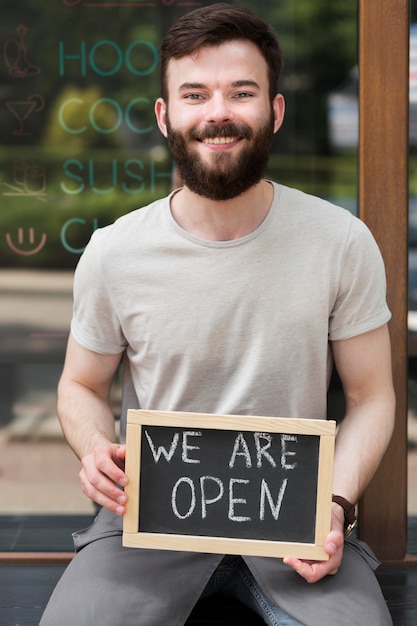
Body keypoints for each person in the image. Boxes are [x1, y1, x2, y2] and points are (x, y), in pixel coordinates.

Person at [40, 4, 395, 625]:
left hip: (299, 531)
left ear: (276, 112)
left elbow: (373, 398)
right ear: (165, 115)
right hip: (146, 529)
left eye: (242, 92)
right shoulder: (115, 252)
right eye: (195, 94)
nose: (218, 113)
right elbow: (81, 384)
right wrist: (96, 448)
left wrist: (334, 503)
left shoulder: (341, 242)